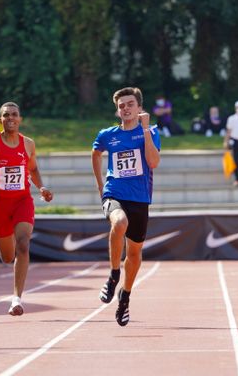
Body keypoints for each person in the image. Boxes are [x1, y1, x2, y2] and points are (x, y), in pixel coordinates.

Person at [0, 102, 53, 316]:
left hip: (22, 201)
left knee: (23, 245)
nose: (10, 118)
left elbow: (33, 169)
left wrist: (41, 186)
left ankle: (16, 299)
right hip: (0, 206)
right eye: (6, 115)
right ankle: (3, 235)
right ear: (0, 120)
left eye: (14, 115)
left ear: (20, 119)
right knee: (8, 257)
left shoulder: (28, 144)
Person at [92, 87, 161, 326]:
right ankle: (113, 274)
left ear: (139, 108)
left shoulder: (150, 132)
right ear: (117, 110)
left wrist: (145, 130)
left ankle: (125, 296)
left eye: (130, 104)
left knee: (134, 253)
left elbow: (153, 162)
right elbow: (96, 152)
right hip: (114, 194)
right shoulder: (107, 135)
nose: (126, 109)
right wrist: (101, 185)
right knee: (119, 222)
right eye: (121, 105)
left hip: (140, 198)